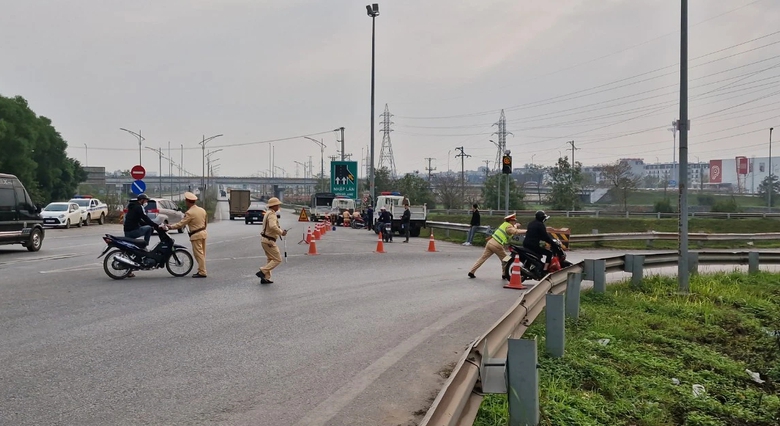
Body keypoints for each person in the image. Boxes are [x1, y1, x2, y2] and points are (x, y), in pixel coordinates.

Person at [166, 192, 209, 278]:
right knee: (202, 254)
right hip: (203, 233)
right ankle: (201, 269)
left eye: (186, 201)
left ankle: (202, 272)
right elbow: (205, 223)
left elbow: (181, 224)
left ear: (188, 201)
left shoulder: (190, 213)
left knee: (198, 254)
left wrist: (170, 227)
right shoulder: (202, 210)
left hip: (196, 235)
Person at [468, 213, 522, 279]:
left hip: (490, 243)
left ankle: (471, 271)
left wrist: (516, 225)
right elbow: (514, 231)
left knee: (482, 258)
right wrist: (527, 231)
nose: (515, 222)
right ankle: (504, 274)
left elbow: (513, 228)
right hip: (497, 245)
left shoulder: (504, 224)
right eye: (514, 221)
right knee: (506, 259)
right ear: (510, 221)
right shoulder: (509, 227)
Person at [256, 197, 287, 284]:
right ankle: (263, 271)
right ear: (274, 206)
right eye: (278, 205)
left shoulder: (268, 213)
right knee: (277, 259)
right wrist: (281, 232)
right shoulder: (272, 214)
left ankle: (265, 278)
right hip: (269, 240)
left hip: (265, 240)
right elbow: (273, 226)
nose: (279, 206)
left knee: (270, 259)